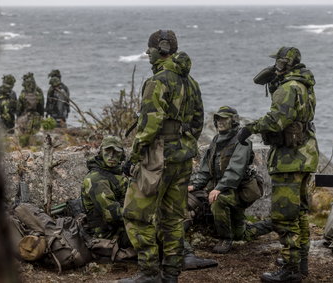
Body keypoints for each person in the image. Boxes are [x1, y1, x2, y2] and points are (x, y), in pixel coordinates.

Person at [120, 29, 204, 283]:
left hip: (158, 160)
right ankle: (171, 274)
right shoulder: (190, 82)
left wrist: (134, 158)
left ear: (161, 49)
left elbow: (149, 127)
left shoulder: (157, 81)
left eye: (150, 49)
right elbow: (198, 122)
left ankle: (148, 273)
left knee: (136, 214)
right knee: (173, 218)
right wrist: (184, 145)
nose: (148, 54)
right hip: (182, 159)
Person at [237, 47, 319, 282]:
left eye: (278, 63)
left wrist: (249, 128)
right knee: (300, 212)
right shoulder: (304, 84)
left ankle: (291, 270)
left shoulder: (288, 88)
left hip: (289, 159)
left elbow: (276, 120)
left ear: (284, 64)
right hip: (304, 155)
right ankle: (300, 261)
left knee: (285, 216)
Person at [188, 106, 271, 254]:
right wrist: (194, 185)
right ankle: (271, 224)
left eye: (224, 119)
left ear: (233, 121)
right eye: (218, 119)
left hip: (240, 191)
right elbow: (206, 168)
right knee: (241, 234)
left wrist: (219, 188)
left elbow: (235, 170)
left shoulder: (242, 141)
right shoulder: (216, 140)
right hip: (226, 190)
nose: (220, 122)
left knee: (217, 201)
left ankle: (225, 239)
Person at [81, 135, 135, 260]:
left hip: (123, 225)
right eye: (107, 151)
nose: (111, 156)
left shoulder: (117, 173)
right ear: (101, 152)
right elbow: (113, 215)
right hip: (109, 233)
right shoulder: (96, 179)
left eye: (116, 153)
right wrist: (142, 215)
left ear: (122, 156)